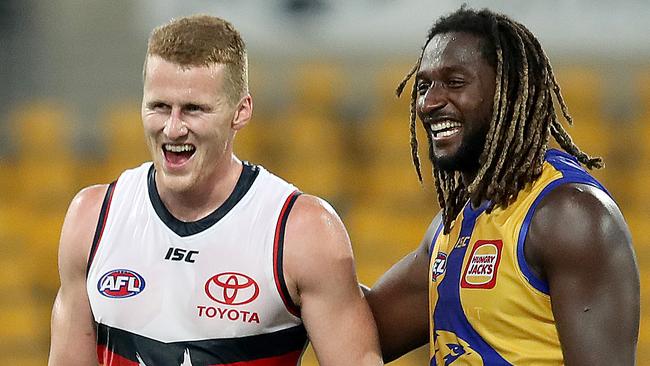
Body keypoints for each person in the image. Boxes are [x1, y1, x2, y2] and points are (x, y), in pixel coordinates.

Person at [48, 15, 383, 366]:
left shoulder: (301, 232)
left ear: (240, 112)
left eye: (194, 109)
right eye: (159, 106)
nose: (173, 128)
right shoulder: (92, 218)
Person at [365, 7, 640, 365]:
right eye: (424, 85)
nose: (430, 102)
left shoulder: (568, 214)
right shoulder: (452, 227)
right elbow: (356, 329)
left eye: (455, 82)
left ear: (505, 91)